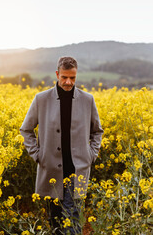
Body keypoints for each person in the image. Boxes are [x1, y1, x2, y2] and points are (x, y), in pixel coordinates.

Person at [20, 57, 104, 234]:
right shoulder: (41, 99)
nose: (68, 82)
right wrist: (37, 154)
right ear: (57, 74)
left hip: (77, 170)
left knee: (72, 221)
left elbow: (97, 131)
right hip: (51, 170)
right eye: (64, 77)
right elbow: (26, 130)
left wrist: (91, 155)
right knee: (56, 221)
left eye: (72, 78)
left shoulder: (88, 100)